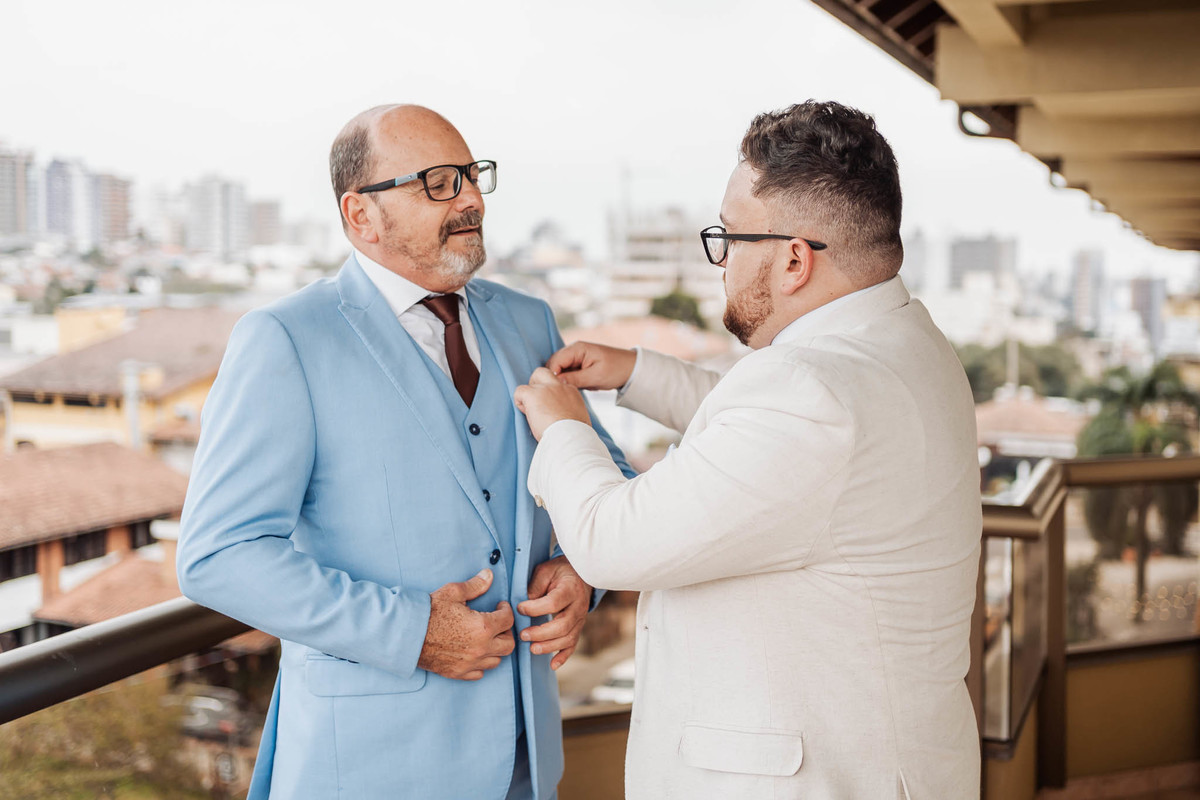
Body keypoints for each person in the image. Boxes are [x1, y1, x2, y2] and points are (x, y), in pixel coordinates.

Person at [514, 101, 982, 799]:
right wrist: (637, 373)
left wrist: (562, 427)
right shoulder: (905, 341)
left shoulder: (812, 393)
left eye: (729, 237)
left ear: (794, 259)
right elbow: (771, 450)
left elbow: (612, 542)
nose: (722, 260)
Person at [177, 104, 632, 800]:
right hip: (368, 766)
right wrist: (411, 631)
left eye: (473, 176)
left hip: (528, 760)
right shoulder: (286, 339)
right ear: (361, 215)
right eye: (439, 183)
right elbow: (218, 555)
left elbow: (606, 472)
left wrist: (581, 571)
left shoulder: (527, 319)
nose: (472, 199)